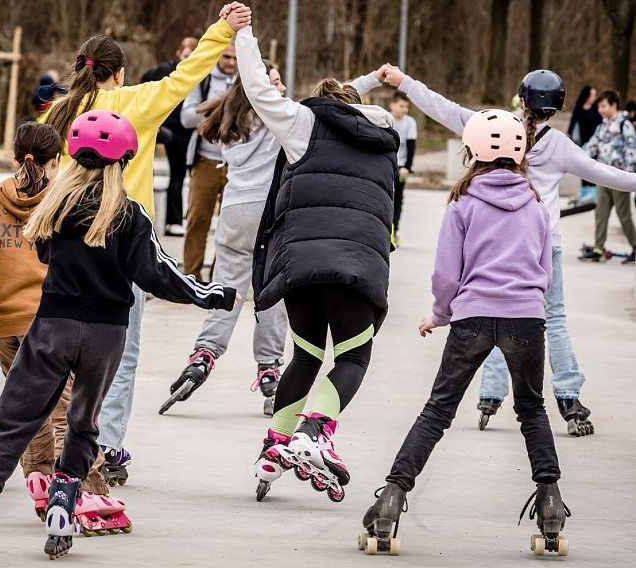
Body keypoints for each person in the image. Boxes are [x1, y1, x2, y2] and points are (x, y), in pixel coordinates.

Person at [0, 110, 237, 564]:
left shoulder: (53, 207)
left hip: (53, 327)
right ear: (123, 160)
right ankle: (64, 503)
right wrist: (214, 295)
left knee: (14, 422)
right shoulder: (130, 213)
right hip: (106, 335)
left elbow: (41, 250)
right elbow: (159, 274)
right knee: (82, 422)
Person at [42, 2, 252, 487]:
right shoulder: (135, 103)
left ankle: (60, 442)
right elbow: (187, 73)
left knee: (60, 345)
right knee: (121, 350)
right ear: (119, 74)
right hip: (122, 238)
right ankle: (106, 442)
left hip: (66, 240)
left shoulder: (59, 110)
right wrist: (222, 29)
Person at [382, 65, 636, 436]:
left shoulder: (494, 127)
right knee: (553, 320)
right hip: (543, 245)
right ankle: (568, 396)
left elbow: (444, 108)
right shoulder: (559, 144)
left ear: (521, 98)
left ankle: (489, 395)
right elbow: (607, 174)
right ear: (558, 105)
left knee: (498, 315)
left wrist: (405, 82)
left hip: (494, 244)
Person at [360, 109, 568, 558]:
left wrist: (439, 314)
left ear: (472, 152)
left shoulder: (462, 202)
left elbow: (445, 274)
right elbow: (544, 271)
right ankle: (550, 504)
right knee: (532, 411)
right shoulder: (535, 204)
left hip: (473, 316)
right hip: (526, 318)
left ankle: (392, 499)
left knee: (438, 411)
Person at [235, 22, 399, 504]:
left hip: (301, 266)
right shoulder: (383, 133)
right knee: (352, 356)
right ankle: (315, 432)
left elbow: (257, 87)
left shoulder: (302, 124)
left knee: (306, 355)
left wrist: (242, 37)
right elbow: (349, 103)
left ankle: (275, 445)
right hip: (355, 267)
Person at [0, 121, 125, 534]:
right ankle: (88, 491)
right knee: (69, 409)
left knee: (31, 408)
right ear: (58, 160)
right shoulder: (63, 204)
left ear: (14, 158)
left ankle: (41, 479)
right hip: (49, 323)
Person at [164, 60, 289, 417]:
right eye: (276, 83)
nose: (281, 89)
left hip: (233, 215)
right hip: (267, 215)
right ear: (259, 87)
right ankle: (269, 372)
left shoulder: (232, 114)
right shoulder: (277, 115)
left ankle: (202, 357)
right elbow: (332, 99)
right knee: (270, 295)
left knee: (228, 291)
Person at [179, 43, 239, 278]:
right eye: (226, 56)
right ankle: (191, 275)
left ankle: (219, 276)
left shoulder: (246, 81)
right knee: (198, 220)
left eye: (235, 58)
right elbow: (185, 118)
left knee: (231, 226)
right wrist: (216, 104)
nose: (231, 62)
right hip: (206, 160)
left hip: (236, 164)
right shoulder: (203, 80)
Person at [140, 37, 199, 236]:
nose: (187, 59)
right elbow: (143, 85)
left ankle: (173, 221)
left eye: (191, 56)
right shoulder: (163, 72)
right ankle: (149, 217)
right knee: (147, 170)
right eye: (185, 55)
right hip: (164, 128)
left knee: (178, 175)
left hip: (181, 132)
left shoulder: (197, 76)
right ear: (178, 53)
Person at [579, 89, 636, 264]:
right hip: (603, 177)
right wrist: (578, 159)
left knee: (623, 214)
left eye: (603, 106)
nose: (600, 110)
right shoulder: (602, 127)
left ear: (614, 105)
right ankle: (598, 248)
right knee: (601, 212)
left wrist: (629, 175)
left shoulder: (624, 125)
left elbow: (631, 150)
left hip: (619, 178)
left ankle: (635, 246)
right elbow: (592, 147)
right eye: (599, 106)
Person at [388, 91, 417, 246]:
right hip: (387, 164)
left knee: (398, 199)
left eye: (406, 107)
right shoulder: (386, 118)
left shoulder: (410, 122)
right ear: (392, 105)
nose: (404, 109)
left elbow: (412, 145)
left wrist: (407, 167)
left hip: (401, 166)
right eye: (401, 106)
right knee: (386, 198)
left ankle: (395, 231)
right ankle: (384, 230)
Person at [567, 85, 603, 201]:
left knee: (591, 166)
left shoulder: (596, 109)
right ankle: (583, 190)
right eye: (593, 94)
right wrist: (569, 134)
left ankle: (592, 191)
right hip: (581, 142)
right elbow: (573, 122)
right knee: (581, 166)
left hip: (593, 142)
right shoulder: (579, 107)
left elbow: (599, 125)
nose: (595, 97)